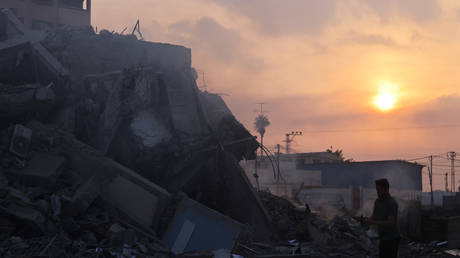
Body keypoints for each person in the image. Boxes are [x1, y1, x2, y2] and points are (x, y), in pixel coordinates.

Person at [366, 178, 400, 258]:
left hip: (392, 239)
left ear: (386, 189)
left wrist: (374, 222)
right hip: (383, 238)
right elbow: (374, 216)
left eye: (379, 189)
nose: (377, 192)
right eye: (376, 190)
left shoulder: (391, 203)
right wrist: (367, 220)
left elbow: (390, 222)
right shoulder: (377, 202)